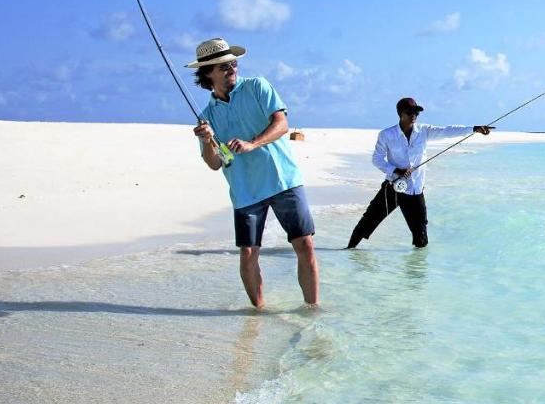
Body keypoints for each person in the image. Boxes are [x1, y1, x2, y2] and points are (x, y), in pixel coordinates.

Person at [188, 37, 319, 309]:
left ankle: (311, 310)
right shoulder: (205, 117)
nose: (231, 68)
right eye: (222, 66)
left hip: (282, 180)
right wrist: (209, 139)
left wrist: (253, 143)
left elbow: (282, 124)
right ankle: (257, 314)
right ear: (207, 74)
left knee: (304, 245)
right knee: (248, 253)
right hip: (245, 191)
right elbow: (214, 163)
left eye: (232, 63)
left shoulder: (258, 86)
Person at [347, 97, 491, 249]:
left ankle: (417, 270)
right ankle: (348, 251)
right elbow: (377, 159)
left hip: (415, 191)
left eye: (416, 112)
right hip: (393, 187)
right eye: (410, 112)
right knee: (368, 220)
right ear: (401, 114)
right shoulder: (386, 135)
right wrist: (396, 170)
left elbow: (447, 131)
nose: (414, 115)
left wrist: (474, 129)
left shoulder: (423, 131)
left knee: (421, 238)